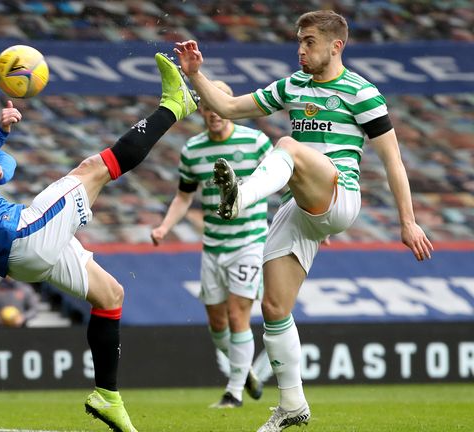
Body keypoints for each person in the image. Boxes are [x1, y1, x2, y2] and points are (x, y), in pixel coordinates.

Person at [0, 53, 198, 432]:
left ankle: (107, 397)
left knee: (110, 294)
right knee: (93, 169)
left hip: (20, 246)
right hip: (19, 237)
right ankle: (174, 105)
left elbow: (6, 165)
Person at [174, 10, 433, 432]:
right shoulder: (293, 85)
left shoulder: (361, 93)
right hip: (301, 206)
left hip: (340, 194)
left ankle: (241, 196)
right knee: (274, 307)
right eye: (299, 41)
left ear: (336, 46)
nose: (301, 49)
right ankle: (292, 405)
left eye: (309, 41)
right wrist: (196, 76)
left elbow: (393, 160)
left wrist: (409, 221)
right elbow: (228, 106)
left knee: (288, 145)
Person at [150, 80, 271, 409]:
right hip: (213, 246)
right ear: (201, 109)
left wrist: (308, 217)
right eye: (205, 105)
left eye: (218, 103)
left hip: (249, 241)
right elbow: (184, 196)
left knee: (236, 315)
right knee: (217, 324)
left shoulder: (257, 142)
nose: (212, 111)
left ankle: (233, 392)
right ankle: (244, 372)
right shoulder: (192, 151)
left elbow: (285, 182)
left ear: (229, 103)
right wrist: (164, 226)